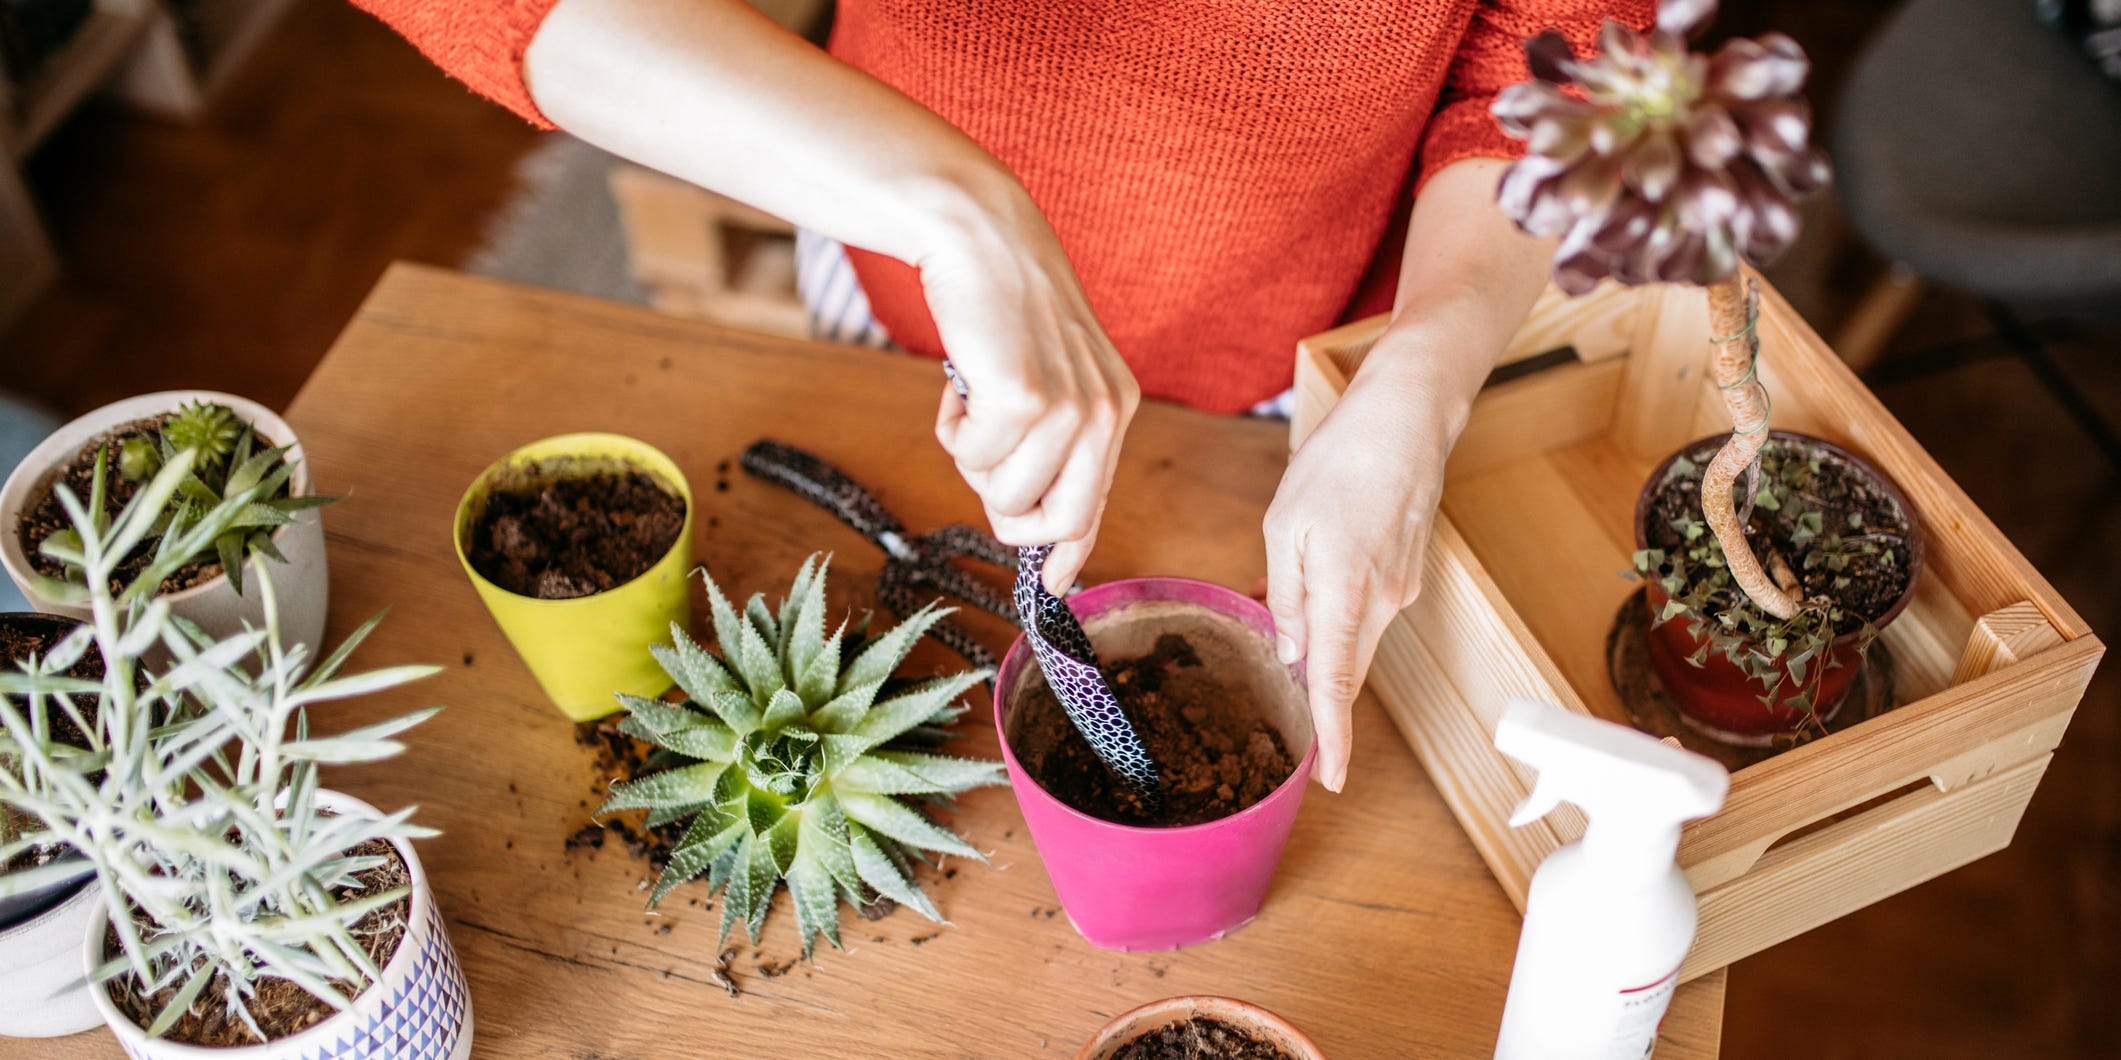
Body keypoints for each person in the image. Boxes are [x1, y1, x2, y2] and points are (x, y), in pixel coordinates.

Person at [354, 0, 1649, 793]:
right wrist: (960, 215)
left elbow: (1555, 67)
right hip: (892, 290)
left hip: (1293, 364)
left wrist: (1421, 369)